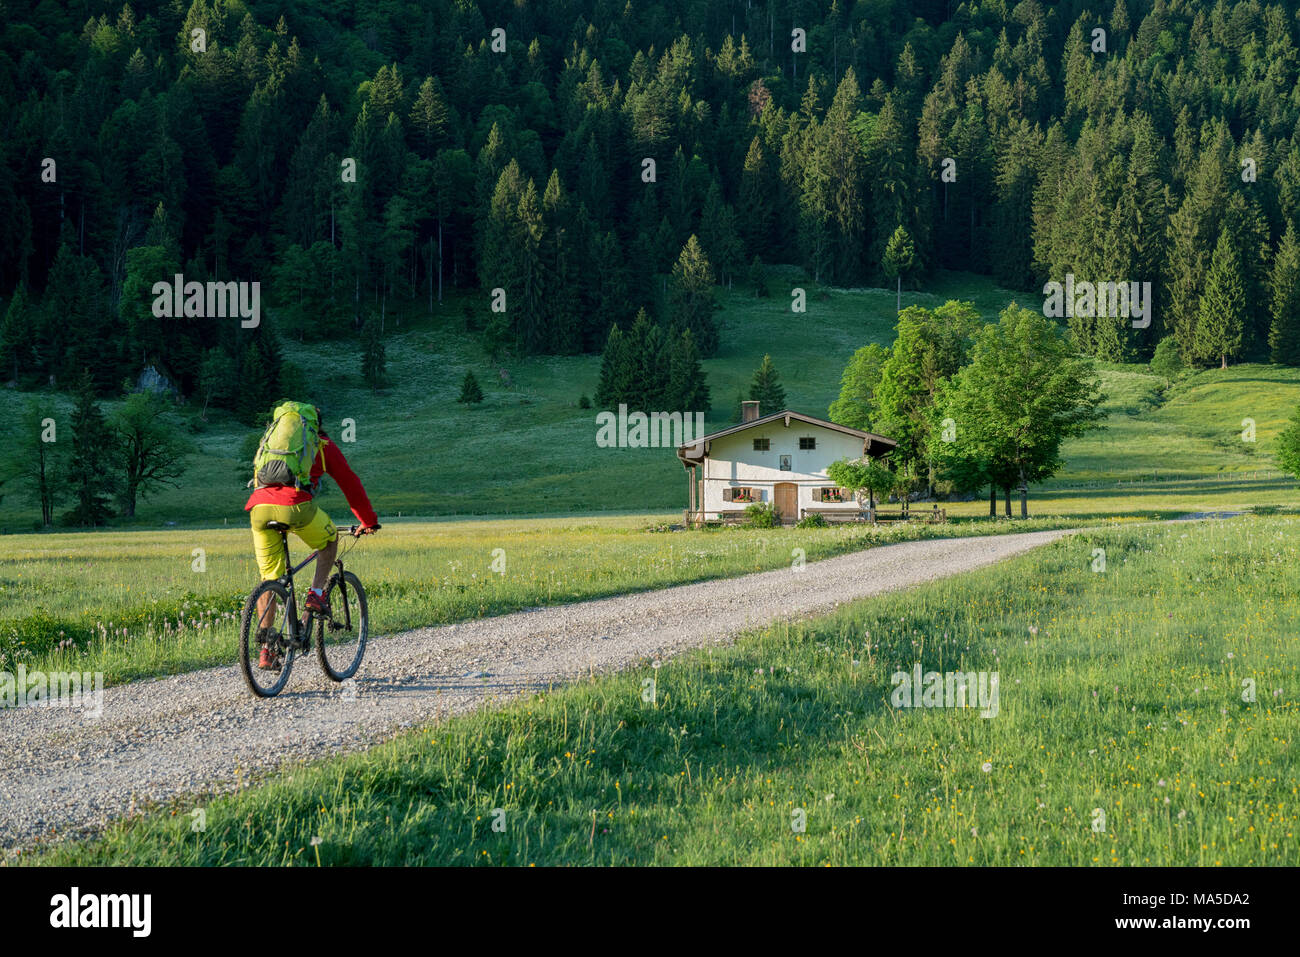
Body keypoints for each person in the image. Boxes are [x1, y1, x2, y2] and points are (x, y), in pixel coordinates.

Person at [246, 405, 379, 670]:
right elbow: (349, 482)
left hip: (258, 509)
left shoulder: (272, 443)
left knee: (271, 578)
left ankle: (265, 650)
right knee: (329, 541)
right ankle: (317, 595)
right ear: (315, 425)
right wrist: (367, 521)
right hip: (295, 506)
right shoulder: (320, 443)